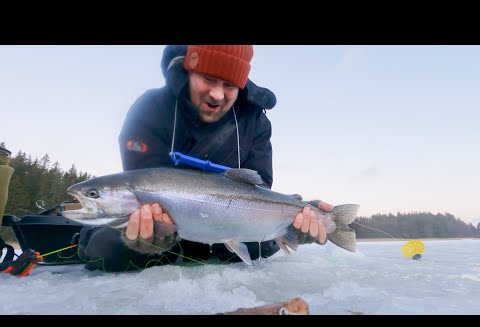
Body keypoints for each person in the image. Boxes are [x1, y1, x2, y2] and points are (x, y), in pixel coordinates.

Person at [77, 45, 333, 272]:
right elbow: (139, 173)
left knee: (263, 245)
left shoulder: (255, 121)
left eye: (230, 85)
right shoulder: (150, 109)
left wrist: (300, 218)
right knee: (104, 250)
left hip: (231, 229)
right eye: (208, 79)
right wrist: (152, 234)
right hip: (170, 236)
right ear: (189, 69)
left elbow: (261, 186)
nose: (218, 95)